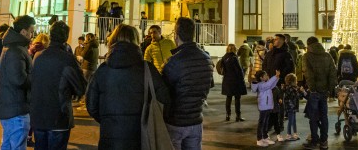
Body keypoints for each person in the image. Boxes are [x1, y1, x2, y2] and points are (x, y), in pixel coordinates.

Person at [86, 24, 170, 149]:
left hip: (109, 138)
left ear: (113, 41)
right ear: (136, 41)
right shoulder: (147, 69)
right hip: (141, 138)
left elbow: (91, 105)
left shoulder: (102, 70)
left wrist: (108, 119)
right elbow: (165, 100)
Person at [30, 21, 86, 150]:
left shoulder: (38, 57)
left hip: (38, 116)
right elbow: (80, 87)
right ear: (66, 37)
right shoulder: (68, 59)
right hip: (58, 116)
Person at [162, 17, 213, 150]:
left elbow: (164, 93)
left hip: (175, 122)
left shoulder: (173, 62)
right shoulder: (206, 59)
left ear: (176, 35)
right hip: (196, 120)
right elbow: (208, 86)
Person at [0, 15, 35, 150]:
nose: (32, 34)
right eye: (31, 31)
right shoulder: (15, 50)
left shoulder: (13, 47)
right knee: (16, 146)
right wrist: (35, 76)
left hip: (12, 106)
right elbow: (19, 80)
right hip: (16, 109)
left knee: (7, 145)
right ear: (23, 32)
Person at [302, 36, 337, 150]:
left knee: (313, 117)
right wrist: (330, 89)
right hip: (324, 91)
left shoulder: (307, 56)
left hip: (314, 91)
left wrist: (312, 88)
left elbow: (308, 73)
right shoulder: (327, 55)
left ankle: (314, 140)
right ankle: (324, 141)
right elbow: (333, 73)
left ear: (308, 45)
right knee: (324, 116)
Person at [251, 69, 280, 147]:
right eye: (265, 75)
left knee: (266, 123)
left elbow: (272, 85)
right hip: (264, 107)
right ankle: (259, 139)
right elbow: (269, 84)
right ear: (261, 78)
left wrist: (277, 78)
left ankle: (265, 137)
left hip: (267, 106)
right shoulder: (261, 85)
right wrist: (275, 76)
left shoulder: (265, 84)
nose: (267, 76)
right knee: (262, 123)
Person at [220, 43, 247, 122]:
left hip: (227, 80)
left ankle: (228, 115)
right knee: (237, 98)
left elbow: (222, 70)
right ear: (235, 49)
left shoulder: (224, 57)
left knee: (228, 98)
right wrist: (242, 78)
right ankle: (238, 116)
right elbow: (238, 70)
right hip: (235, 81)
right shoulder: (234, 58)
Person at [283, 73, 300, 141]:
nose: (297, 82)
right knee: (291, 121)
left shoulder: (290, 88)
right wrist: (299, 91)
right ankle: (288, 134)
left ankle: (295, 133)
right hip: (291, 107)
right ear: (293, 81)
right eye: (296, 81)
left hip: (292, 107)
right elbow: (296, 96)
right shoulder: (291, 89)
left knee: (293, 120)